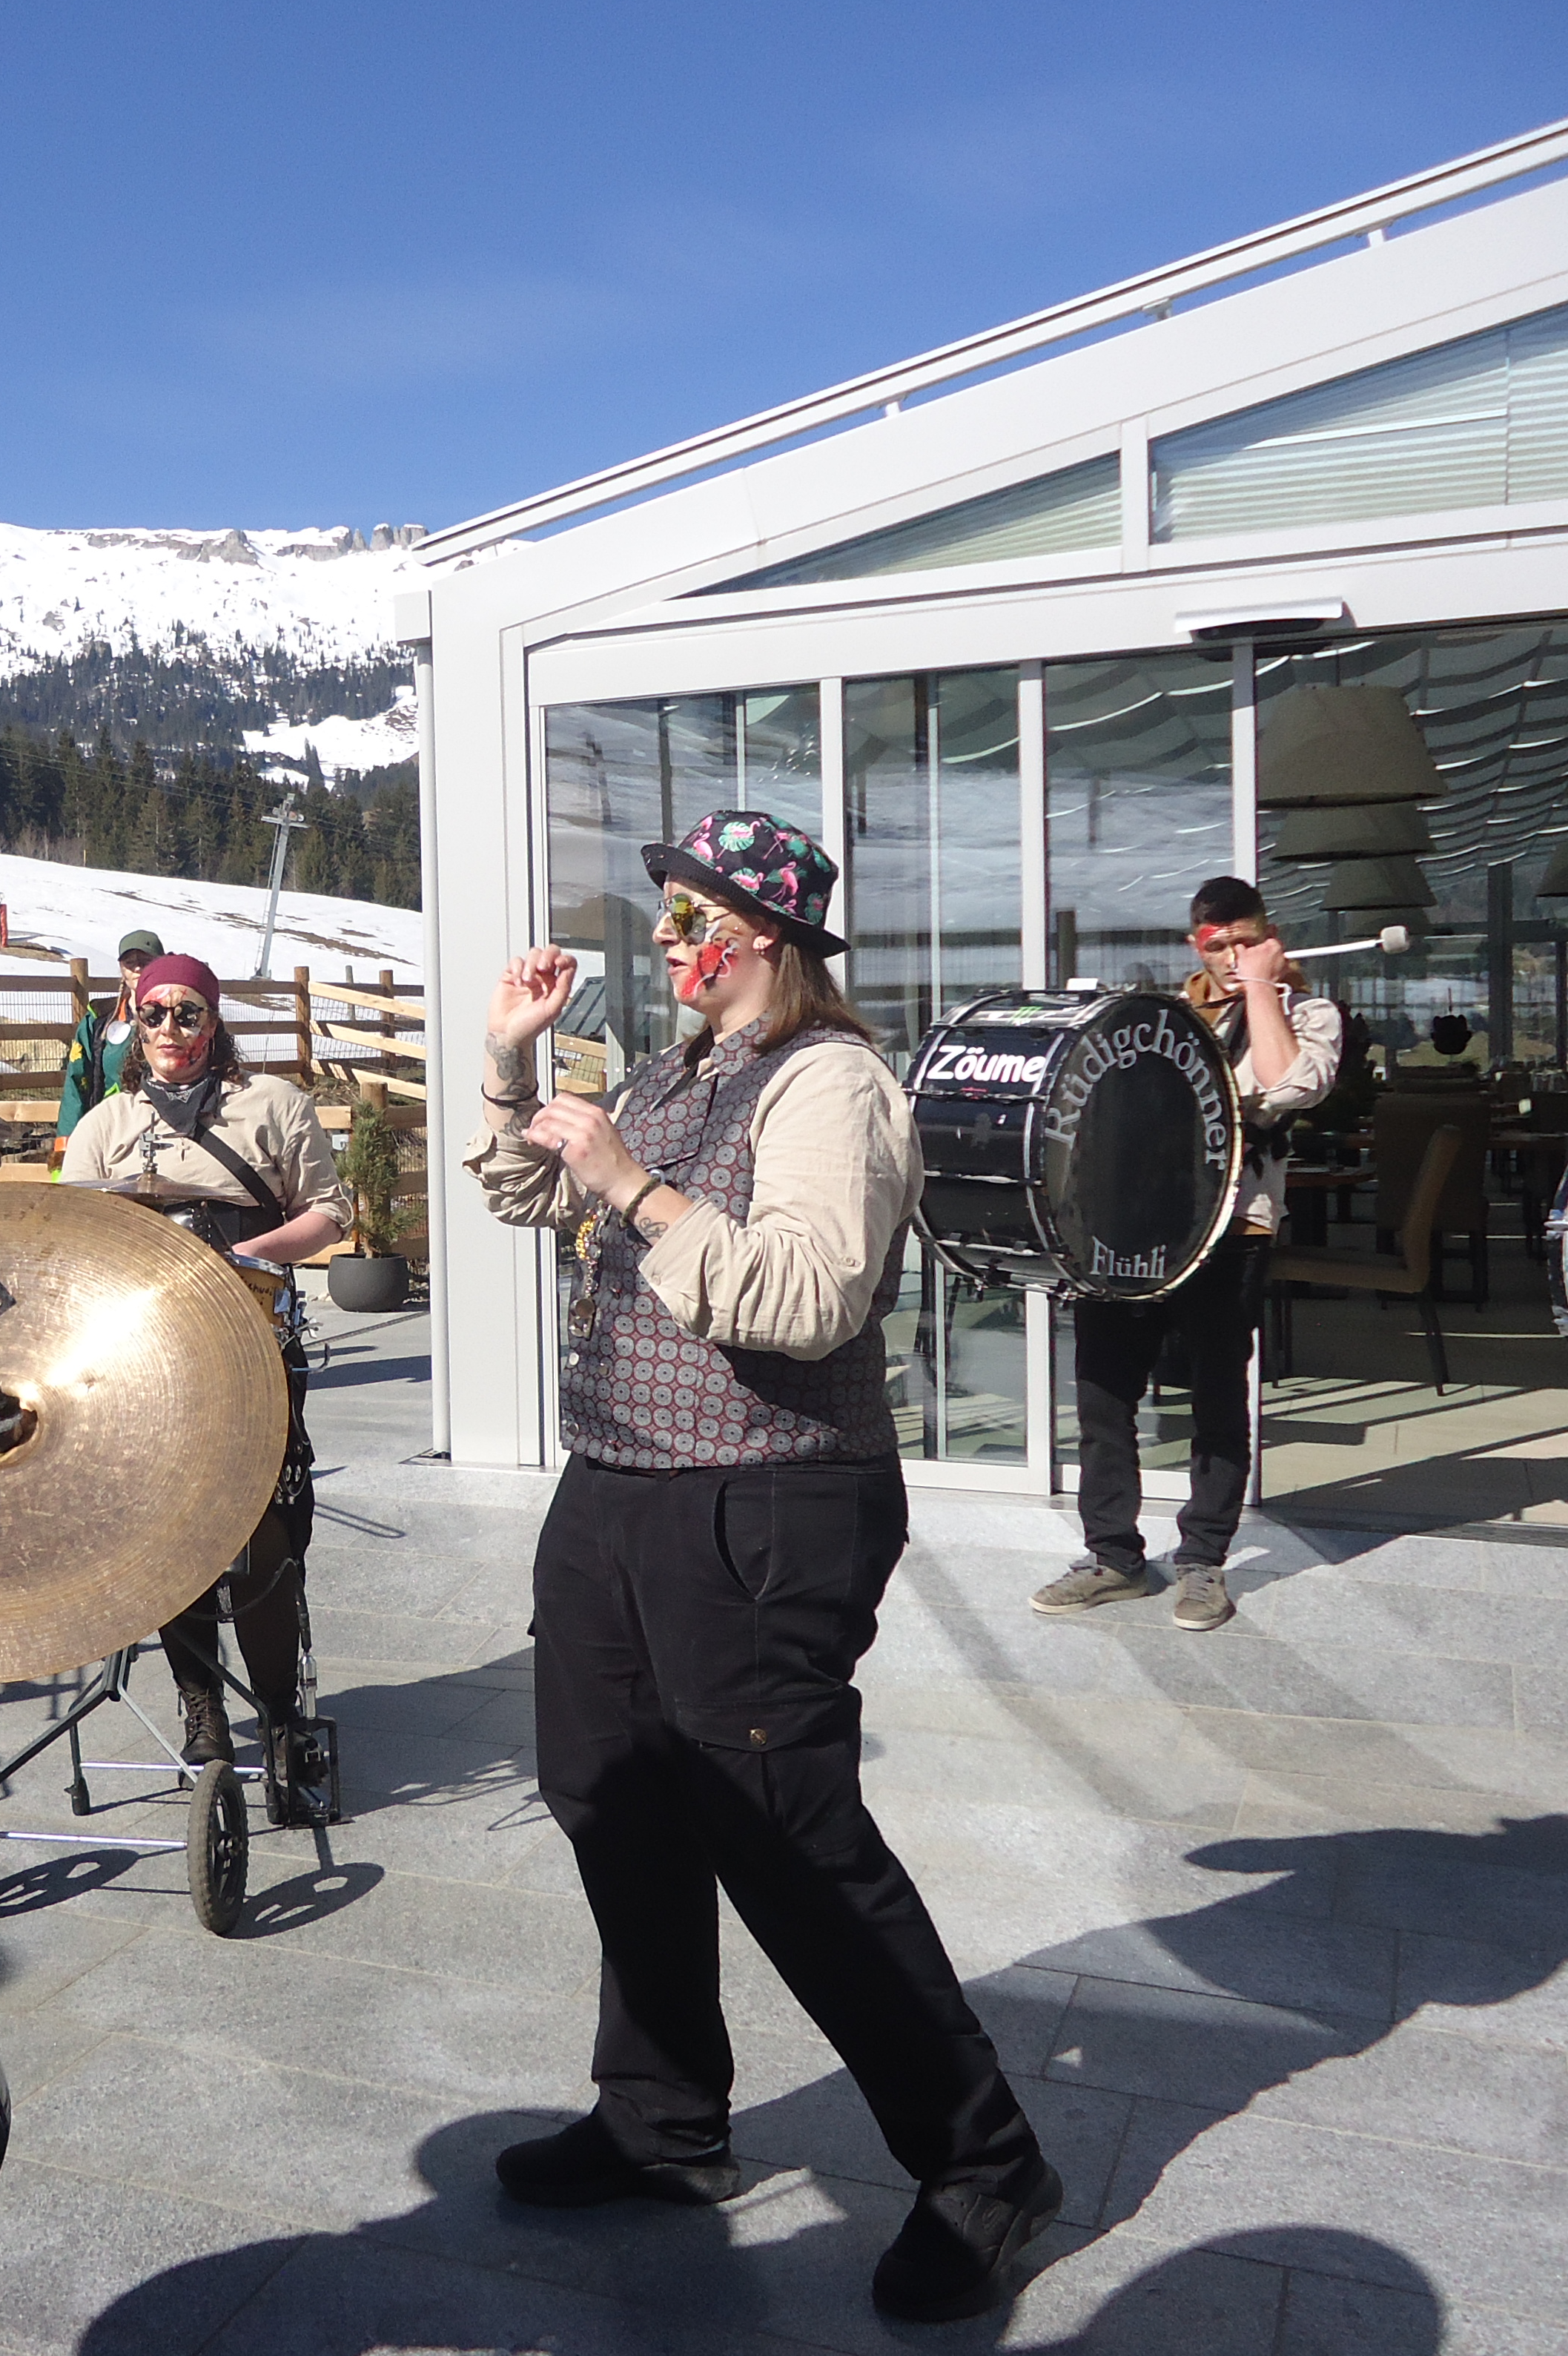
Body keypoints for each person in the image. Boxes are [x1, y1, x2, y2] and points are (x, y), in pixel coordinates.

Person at [469, 810, 1057, 2323]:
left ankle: (985, 2164)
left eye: (687, 920)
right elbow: (528, 1195)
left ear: (763, 938)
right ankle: (662, 2121)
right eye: (665, 918)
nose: (664, 942)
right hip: (619, 1485)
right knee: (610, 1793)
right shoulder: (676, 1072)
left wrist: (634, 1185)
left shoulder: (832, 1081)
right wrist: (513, 1073)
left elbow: (806, 1297)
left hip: (766, 1500)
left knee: (787, 1839)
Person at [58, 954, 346, 1800]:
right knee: (169, 1533)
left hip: (253, 1337)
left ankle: (281, 1712)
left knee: (264, 1529)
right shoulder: (106, 1125)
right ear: (134, 1022)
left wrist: (240, 1256)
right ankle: (201, 1708)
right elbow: (72, 1242)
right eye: (154, 1014)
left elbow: (330, 1213)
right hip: (147, 1356)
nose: (171, 1029)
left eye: (189, 1013)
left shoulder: (274, 1104)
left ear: (214, 1023)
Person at [1036, 875, 1340, 1632]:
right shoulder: (1165, 1017)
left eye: (1246, 941)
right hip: (1132, 1227)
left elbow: (1290, 1084)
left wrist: (1263, 988)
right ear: (1194, 945)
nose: (1231, 956)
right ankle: (1112, 1554)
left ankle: (1204, 1559)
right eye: (1217, 945)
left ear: (1269, 936)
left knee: (1216, 1394)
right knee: (1104, 1392)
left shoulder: (1309, 1013)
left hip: (1233, 1229)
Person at [57, 928, 162, 1135]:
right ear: (121, 968)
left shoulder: (178, 1017)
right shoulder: (100, 1019)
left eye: (145, 961)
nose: (137, 968)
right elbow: (77, 1080)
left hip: (166, 1127)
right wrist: (67, 1143)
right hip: (111, 1128)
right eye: (129, 962)